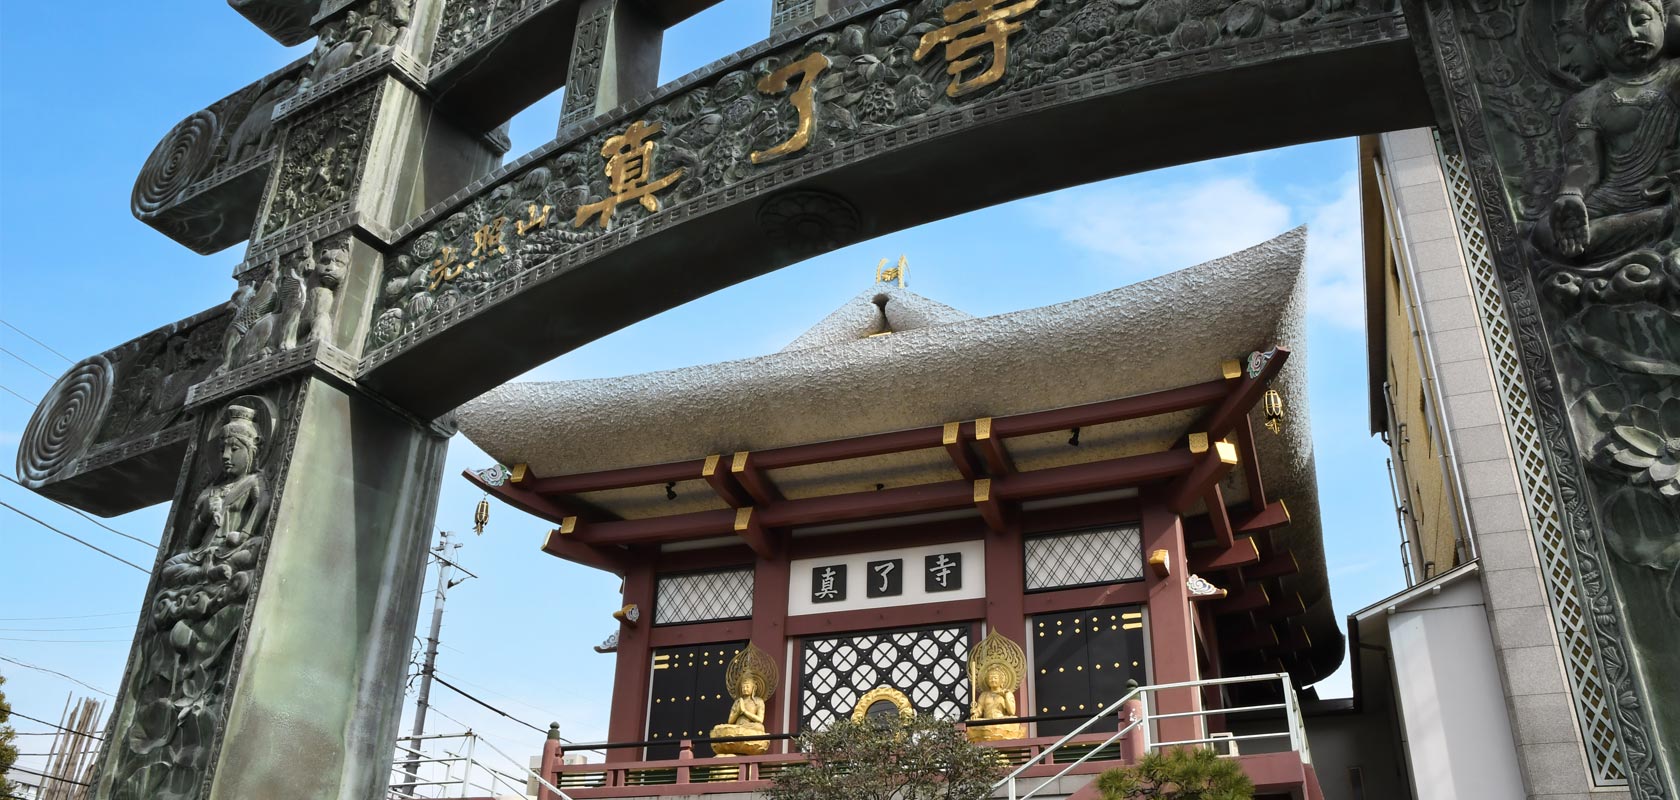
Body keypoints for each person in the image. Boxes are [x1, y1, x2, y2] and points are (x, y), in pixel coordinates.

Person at [1537, 0, 1680, 262]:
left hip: (1672, 181)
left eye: (1641, 21)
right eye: (1611, 29)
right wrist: (1571, 195)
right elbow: (1583, 165)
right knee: (1547, 233)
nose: (1630, 34)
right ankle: (1669, 217)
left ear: (1663, 21)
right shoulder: (1585, 104)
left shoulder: (1675, 75)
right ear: (1592, 44)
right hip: (1621, 198)